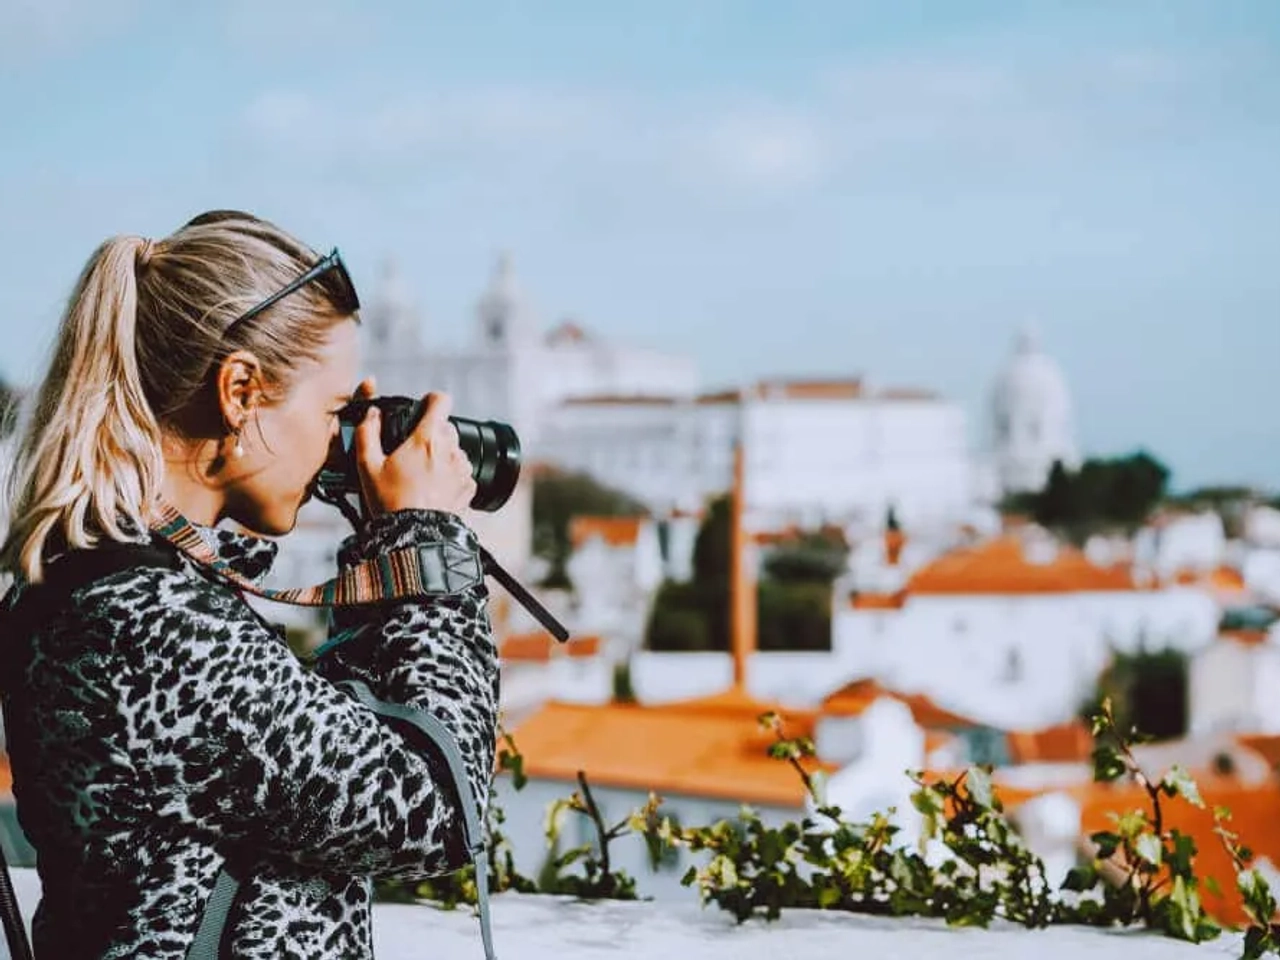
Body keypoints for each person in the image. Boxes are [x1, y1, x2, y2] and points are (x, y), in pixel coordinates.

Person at [0, 210, 499, 958]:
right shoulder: (144, 617)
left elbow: (336, 743)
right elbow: (432, 811)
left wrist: (386, 548)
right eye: (334, 412)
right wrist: (426, 542)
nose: (341, 440)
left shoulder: (124, 584)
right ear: (239, 391)